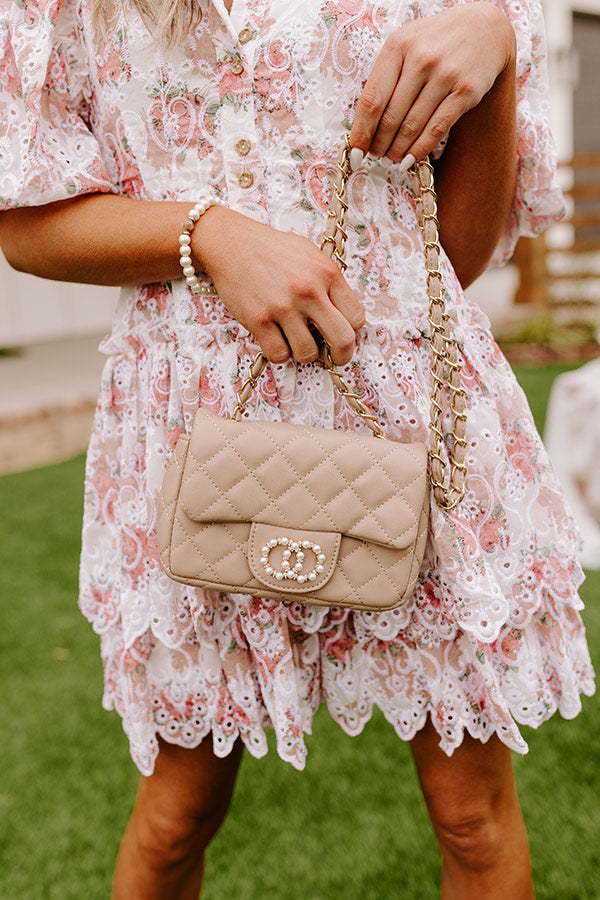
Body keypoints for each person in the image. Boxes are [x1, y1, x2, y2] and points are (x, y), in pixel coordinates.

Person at [0, 0, 594, 896]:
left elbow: (457, 260)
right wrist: (211, 233)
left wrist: (499, 46)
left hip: (414, 424)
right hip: (197, 433)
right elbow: (26, 224)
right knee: (174, 820)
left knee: (471, 820)